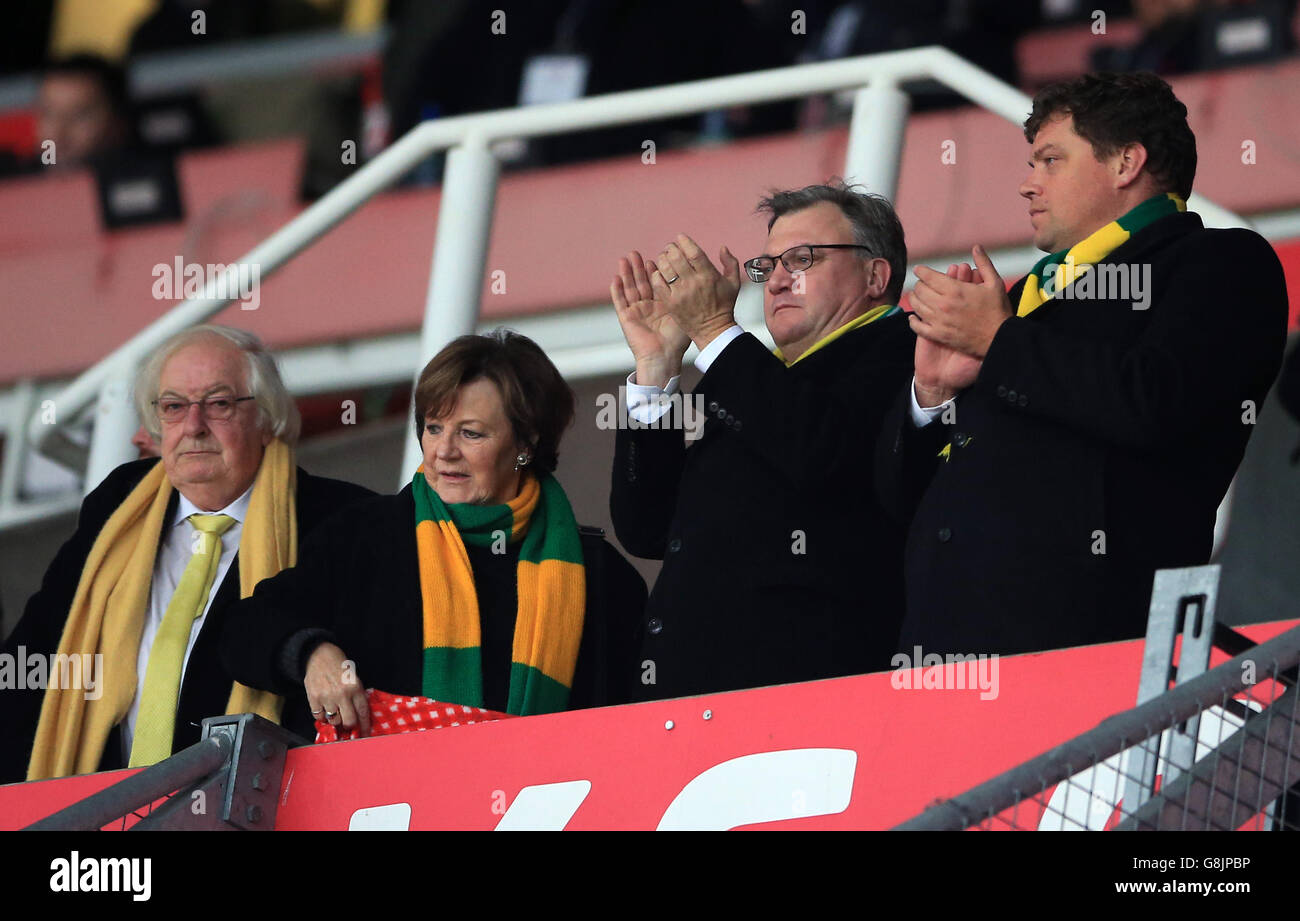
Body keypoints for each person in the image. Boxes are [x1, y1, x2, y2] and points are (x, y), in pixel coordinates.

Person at [881, 71, 1289, 657]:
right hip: (934, 648)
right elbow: (897, 500)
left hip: (1093, 643)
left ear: (1126, 163)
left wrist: (1000, 343)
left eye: (1049, 160)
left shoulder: (1219, 261)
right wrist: (931, 395)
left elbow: (1155, 403)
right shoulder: (1018, 298)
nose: (1027, 185)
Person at [220, 330, 647, 739]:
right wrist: (312, 653)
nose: (444, 452)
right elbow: (242, 630)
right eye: (434, 427)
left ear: (527, 444)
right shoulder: (364, 534)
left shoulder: (601, 576)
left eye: (470, 433)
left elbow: (636, 725)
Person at [0, 326, 373, 783]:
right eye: (174, 407)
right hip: (102, 817)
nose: (193, 426)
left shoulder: (339, 518)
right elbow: (33, 653)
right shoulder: (117, 507)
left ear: (266, 417)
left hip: (263, 806)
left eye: (218, 404)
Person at [610, 181, 915, 701]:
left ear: (875, 274)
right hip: (688, 701)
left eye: (800, 260)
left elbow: (822, 455)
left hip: (807, 701)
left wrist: (714, 329)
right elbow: (649, 530)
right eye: (767, 266)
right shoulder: (757, 378)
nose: (775, 282)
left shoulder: (906, 352)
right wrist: (656, 369)